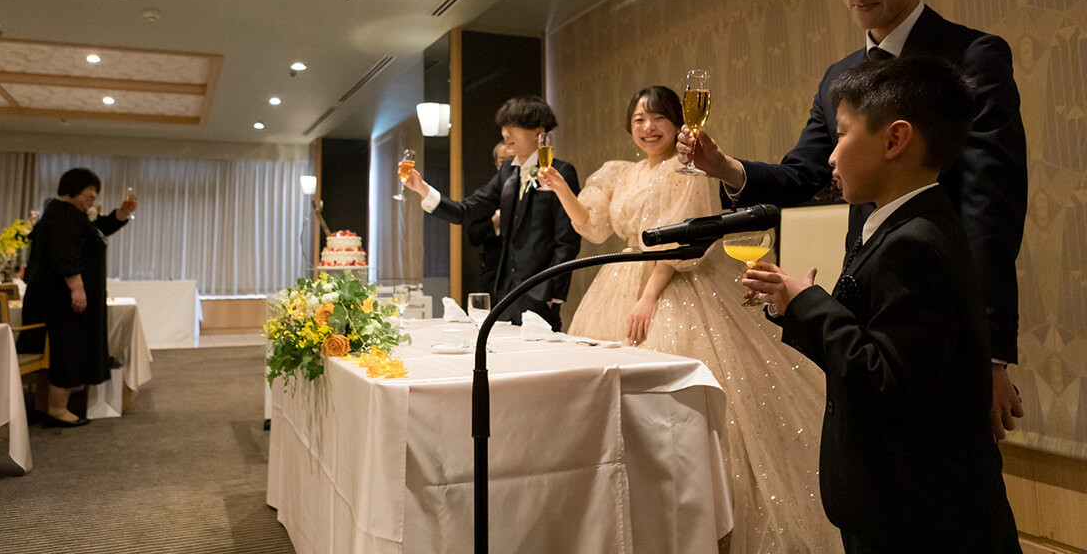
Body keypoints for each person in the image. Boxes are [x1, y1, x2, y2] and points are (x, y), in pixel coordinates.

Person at [678, 0, 1027, 440]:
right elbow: (806, 176)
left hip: (943, 310)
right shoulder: (839, 77)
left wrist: (991, 354)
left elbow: (991, 206)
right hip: (863, 300)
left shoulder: (971, 57)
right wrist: (726, 168)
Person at [538, 86, 839, 554]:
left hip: (679, 278)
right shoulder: (621, 172)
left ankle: (703, 516)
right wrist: (561, 189)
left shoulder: (688, 169)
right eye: (638, 119)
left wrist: (648, 296)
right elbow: (594, 227)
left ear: (678, 122)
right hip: (623, 278)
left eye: (658, 117)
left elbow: (687, 238)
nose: (647, 127)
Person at [743, 57, 1021, 553]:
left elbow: (884, 376)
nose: (830, 157)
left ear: (894, 140)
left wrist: (809, 303)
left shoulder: (913, 245)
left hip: (919, 515)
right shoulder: (902, 225)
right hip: (902, 504)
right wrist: (792, 302)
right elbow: (868, 344)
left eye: (841, 135)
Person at [405, 96, 580, 329]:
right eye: (504, 127)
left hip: (539, 295)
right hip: (504, 294)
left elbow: (567, 241)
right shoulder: (507, 172)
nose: (505, 133)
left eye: (513, 126)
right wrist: (423, 189)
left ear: (538, 132)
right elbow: (466, 211)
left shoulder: (562, 172)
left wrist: (553, 295)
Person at [20, 168, 136, 427]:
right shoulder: (62, 215)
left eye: (95, 194)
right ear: (72, 189)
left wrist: (121, 215)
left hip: (61, 297)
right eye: (89, 193)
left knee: (63, 350)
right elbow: (65, 254)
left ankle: (47, 405)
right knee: (67, 349)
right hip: (61, 300)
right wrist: (77, 287)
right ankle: (57, 409)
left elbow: (95, 230)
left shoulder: (71, 214)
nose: (93, 198)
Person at [465, 140, 510, 298]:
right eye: (503, 161)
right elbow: (473, 234)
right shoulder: (488, 195)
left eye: (511, 160)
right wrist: (495, 222)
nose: (507, 165)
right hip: (492, 270)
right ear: (496, 164)